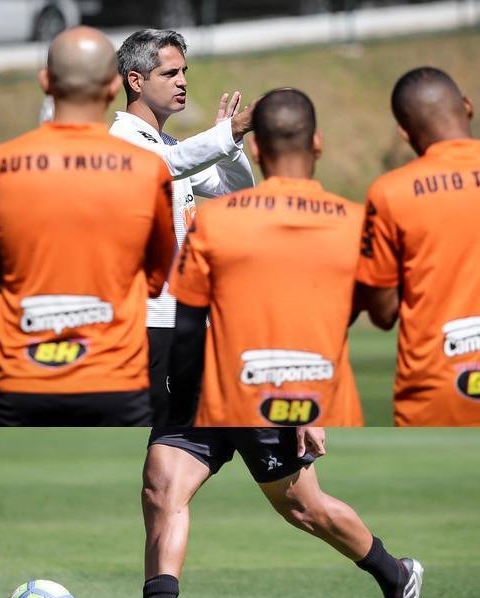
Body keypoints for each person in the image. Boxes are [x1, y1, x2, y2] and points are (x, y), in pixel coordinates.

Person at [82, 425, 424, 598]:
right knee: (160, 489)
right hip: (191, 385)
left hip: (254, 388)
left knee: (303, 508)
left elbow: (298, 324)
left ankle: (394, 573)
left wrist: (310, 406)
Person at [0, 27, 174, 426]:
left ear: (45, 82)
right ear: (112, 87)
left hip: (22, 379)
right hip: (115, 380)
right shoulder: (147, 169)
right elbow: (156, 277)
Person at [167, 88, 364, 427]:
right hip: (326, 407)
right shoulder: (356, 220)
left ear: (256, 150)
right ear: (317, 142)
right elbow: (383, 309)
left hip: (230, 406)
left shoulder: (213, 221)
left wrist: (184, 395)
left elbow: (187, 323)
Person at [109, 29, 255, 424]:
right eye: (170, 73)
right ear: (135, 81)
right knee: (160, 433)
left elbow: (235, 192)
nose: (183, 81)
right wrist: (230, 132)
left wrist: (231, 145)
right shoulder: (122, 140)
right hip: (148, 321)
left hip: (186, 319)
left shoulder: (168, 144)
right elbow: (166, 166)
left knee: (191, 434)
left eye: (184, 72)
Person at [356, 66, 480, 426]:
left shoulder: (390, 192)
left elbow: (383, 313)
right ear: (467, 106)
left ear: (404, 131)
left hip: (437, 393)